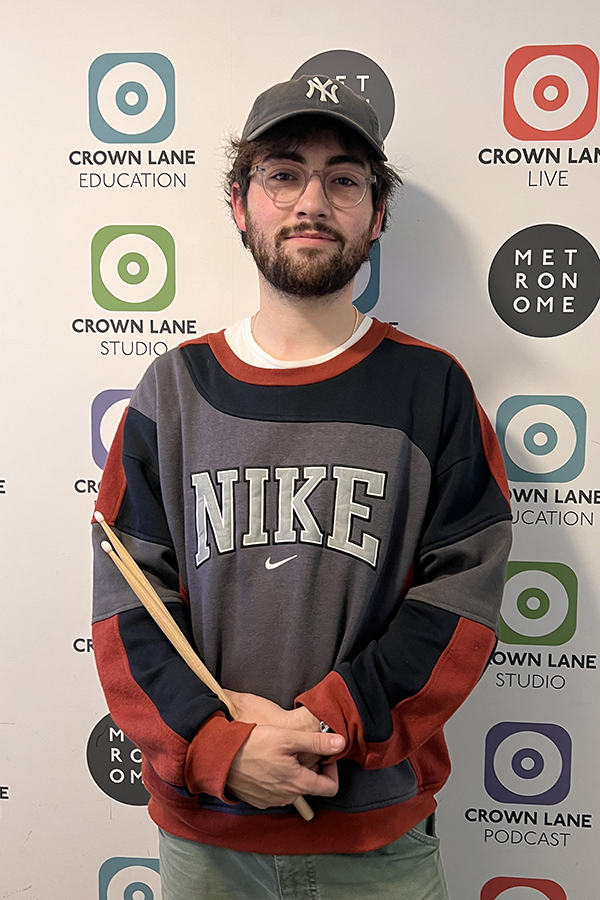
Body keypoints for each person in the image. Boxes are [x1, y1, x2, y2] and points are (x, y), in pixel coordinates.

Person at [92, 75, 512, 899]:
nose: (312, 199)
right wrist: (218, 747)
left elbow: (463, 605)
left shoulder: (432, 393)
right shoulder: (172, 392)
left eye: (344, 179)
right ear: (240, 205)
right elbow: (124, 606)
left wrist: (326, 723)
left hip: (377, 846)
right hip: (205, 843)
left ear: (377, 215)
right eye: (283, 173)